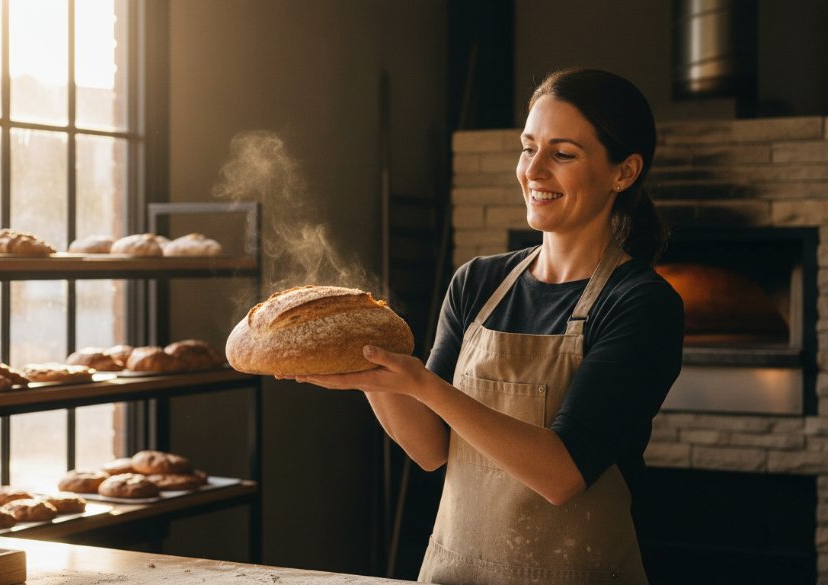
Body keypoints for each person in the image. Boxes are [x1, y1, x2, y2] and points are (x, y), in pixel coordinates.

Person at [290, 68, 684, 585]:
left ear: (624, 172)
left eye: (562, 154)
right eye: (528, 148)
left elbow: (562, 475)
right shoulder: (477, 282)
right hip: (456, 572)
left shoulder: (642, 304)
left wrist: (421, 383)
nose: (534, 171)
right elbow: (431, 450)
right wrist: (368, 370)